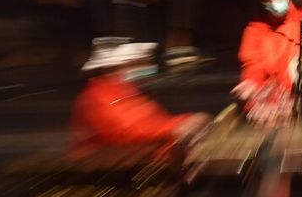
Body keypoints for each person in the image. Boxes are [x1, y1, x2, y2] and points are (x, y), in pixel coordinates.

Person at [70, 38, 209, 154]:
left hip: (135, 160)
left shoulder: (126, 90)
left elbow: (155, 123)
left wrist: (185, 121)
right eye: (136, 63)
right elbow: (127, 132)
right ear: (111, 69)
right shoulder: (98, 95)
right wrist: (177, 126)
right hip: (107, 171)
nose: (144, 68)